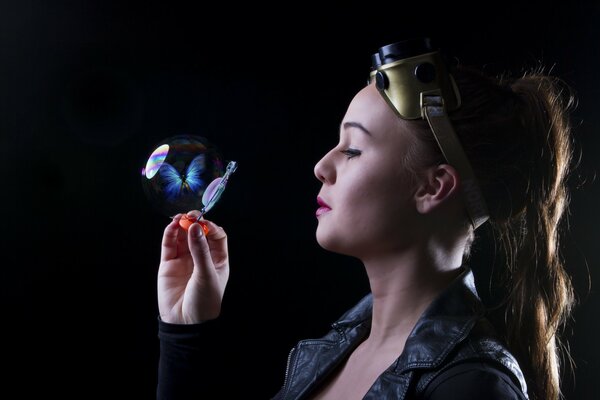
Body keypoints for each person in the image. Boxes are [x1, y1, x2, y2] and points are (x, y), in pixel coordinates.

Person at [155, 38, 576, 400]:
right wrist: (186, 331)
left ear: (433, 187)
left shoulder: (470, 386)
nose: (322, 166)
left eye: (353, 149)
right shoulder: (331, 352)